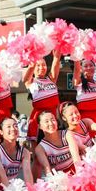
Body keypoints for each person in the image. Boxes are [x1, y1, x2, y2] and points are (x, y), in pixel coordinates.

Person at [34, 109, 96, 191]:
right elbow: (48, 171)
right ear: (40, 126)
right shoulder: (40, 148)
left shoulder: (67, 134)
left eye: (53, 120)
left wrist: (81, 181)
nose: (51, 123)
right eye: (46, 121)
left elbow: (76, 158)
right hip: (60, 184)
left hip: (76, 178)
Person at [23, 50, 61, 180]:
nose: (41, 68)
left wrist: (58, 50)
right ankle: (36, 188)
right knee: (39, 157)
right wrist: (32, 60)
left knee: (56, 155)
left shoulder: (51, 78)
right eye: (38, 65)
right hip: (38, 122)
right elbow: (25, 77)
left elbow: (56, 60)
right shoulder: (31, 82)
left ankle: (56, 184)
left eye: (43, 65)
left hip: (54, 120)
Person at [0, 117, 33, 187]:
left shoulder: (25, 152)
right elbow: (2, 175)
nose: (13, 129)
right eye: (8, 126)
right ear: (1, 132)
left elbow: (27, 173)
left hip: (11, 188)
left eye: (15, 126)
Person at [72, 59, 96, 128]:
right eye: (85, 66)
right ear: (81, 69)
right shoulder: (78, 83)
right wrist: (77, 53)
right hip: (84, 119)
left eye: (91, 65)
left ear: (95, 68)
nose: (88, 68)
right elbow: (76, 68)